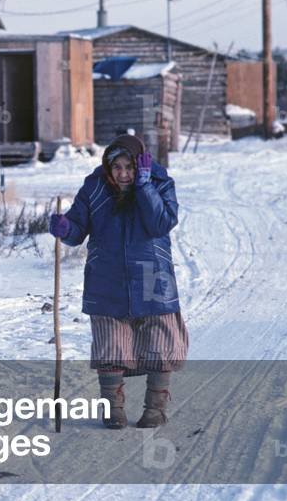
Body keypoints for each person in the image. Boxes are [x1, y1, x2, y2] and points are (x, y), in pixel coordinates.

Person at [49, 134, 188, 429]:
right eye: (117, 168)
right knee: (110, 344)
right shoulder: (95, 187)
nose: (123, 174)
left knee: (159, 342)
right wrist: (65, 228)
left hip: (152, 274)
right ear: (108, 167)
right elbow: (77, 229)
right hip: (106, 277)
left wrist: (145, 185)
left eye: (130, 167)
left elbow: (161, 223)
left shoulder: (161, 183)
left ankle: (155, 409)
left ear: (141, 164)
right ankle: (113, 410)